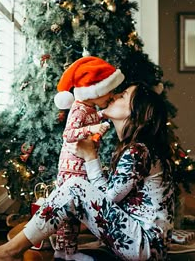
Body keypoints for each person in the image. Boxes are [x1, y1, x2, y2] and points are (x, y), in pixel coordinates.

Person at [0, 82, 174, 261]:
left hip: (146, 247)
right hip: (143, 244)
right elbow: (108, 200)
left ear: (138, 112)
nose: (114, 95)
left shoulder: (139, 151)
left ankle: (10, 251)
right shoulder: (139, 149)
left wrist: (90, 157)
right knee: (74, 190)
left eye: (123, 96)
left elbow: (107, 200)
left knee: (75, 187)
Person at [53, 56, 125, 260]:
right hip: (72, 166)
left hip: (83, 163)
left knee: (73, 209)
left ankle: (65, 250)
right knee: (69, 209)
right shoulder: (78, 108)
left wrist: (98, 128)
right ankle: (68, 253)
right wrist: (92, 128)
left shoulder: (92, 109)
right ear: (95, 91)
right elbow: (68, 134)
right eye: (108, 91)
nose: (111, 96)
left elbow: (94, 129)